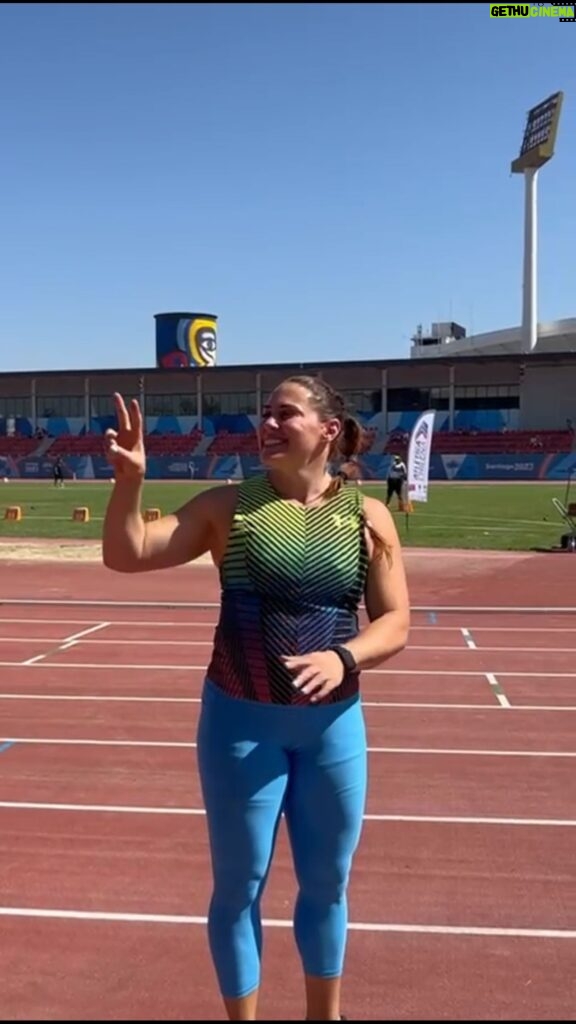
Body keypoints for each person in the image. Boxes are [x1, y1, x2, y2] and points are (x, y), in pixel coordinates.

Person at [102, 376, 410, 1022]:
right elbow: (126, 554)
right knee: (238, 889)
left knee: (327, 885)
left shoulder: (367, 516)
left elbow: (396, 622)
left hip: (331, 731)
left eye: (285, 414)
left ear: (327, 431)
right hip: (239, 727)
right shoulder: (229, 507)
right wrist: (129, 482)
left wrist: (343, 656)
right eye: (264, 414)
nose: (267, 424)